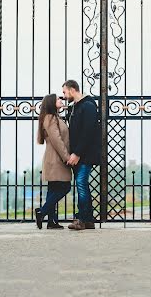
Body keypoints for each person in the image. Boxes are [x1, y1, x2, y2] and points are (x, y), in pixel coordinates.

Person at [62, 79, 101, 231]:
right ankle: (89, 220)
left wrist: (77, 153)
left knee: (81, 184)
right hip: (79, 154)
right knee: (82, 185)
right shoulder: (75, 108)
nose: (64, 96)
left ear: (72, 90)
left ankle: (82, 220)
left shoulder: (88, 106)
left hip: (85, 155)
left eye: (65, 92)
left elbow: (88, 132)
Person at [35, 93, 71, 230]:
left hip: (55, 158)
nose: (61, 100)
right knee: (65, 187)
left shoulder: (54, 117)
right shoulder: (50, 118)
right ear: (51, 103)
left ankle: (52, 221)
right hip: (56, 159)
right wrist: (66, 157)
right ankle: (42, 212)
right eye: (57, 99)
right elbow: (57, 140)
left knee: (53, 190)